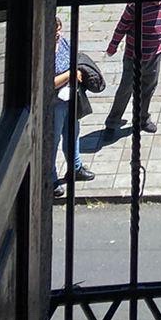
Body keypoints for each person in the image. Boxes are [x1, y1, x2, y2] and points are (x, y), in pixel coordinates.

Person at [102, 0, 161, 138]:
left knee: (149, 87)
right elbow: (122, 26)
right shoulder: (136, 5)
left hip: (155, 54)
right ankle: (112, 122)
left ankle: (143, 118)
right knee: (126, 88)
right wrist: (113, 46)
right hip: (134, 55)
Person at [52, 16, 93, 197]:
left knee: (73, 134)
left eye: (59, 29)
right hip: (54, 103)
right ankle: (50, 178)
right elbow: (50, 82)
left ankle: (75, 168)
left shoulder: (64, 43)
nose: (58, 34)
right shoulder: (44, 50)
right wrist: (70, 74)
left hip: (70, 97)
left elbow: (75, 61)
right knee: (52, 141)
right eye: (55, 31)